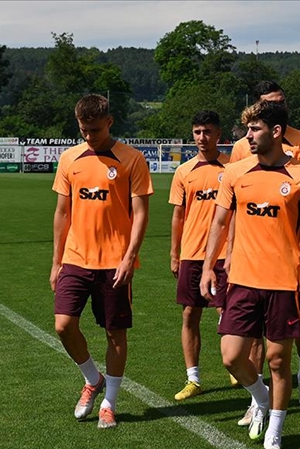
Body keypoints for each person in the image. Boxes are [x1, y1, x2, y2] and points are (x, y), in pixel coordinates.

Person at [199, 100, 300, 449]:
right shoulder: (235, 172)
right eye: (247, 129)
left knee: (277, 360)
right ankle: (260, 398)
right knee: (231, 357)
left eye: (254, 129)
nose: (248, 136)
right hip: (241, 279)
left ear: (276, 132)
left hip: (285, 282)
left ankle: (274, 432)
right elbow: (219, 222)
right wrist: (209, 266)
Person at [50, 94, 153, 429]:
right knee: (63, 325)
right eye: (83, 130)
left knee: (115, 333)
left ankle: (109, 402)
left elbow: (140, 214)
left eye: (94, 130)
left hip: (114, 261)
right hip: (75, 258)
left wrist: (129, 257)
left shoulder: (132, 159)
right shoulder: (70, 159)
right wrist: (56, 262)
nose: (88, 136)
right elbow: (62, 213)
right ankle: (92, 379)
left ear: (109, 122)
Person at [231, 80, 300, 420]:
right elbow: (238, 202)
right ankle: (257, 400)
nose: (278, 105)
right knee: (254, 332)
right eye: (270, 101)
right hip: (253, 257)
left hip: (294, 252)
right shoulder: (243, 146)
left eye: (281, 101)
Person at [168, 110, 230, 401]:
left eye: (207, 132)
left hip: (225, 253)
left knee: (227, 310)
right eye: (197, 132)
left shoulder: (233, 168)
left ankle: (235, 365)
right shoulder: (184, 171)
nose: (201, 137)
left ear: (218, 134)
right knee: (190, 313)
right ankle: (193, 379)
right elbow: (178, 215)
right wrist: (174, 254)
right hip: (192, 253)